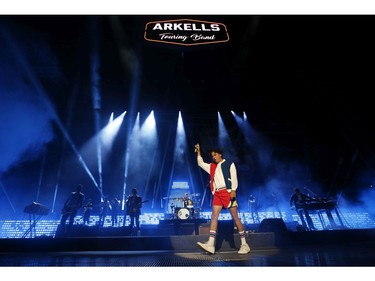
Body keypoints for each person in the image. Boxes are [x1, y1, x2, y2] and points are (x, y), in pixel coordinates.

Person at [194, 143, 250, 254]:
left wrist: (233, 190)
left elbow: (234, 176)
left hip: (227, 192)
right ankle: (210, 244)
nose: (213, 157)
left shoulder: (229, 163)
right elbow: (200, 163)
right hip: (217, 194)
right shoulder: (212, 166)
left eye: (215, 155)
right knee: (214, 217)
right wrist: (199, 152)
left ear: (220, 154)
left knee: (235, 217)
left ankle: (244, 244)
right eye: (212, 156)